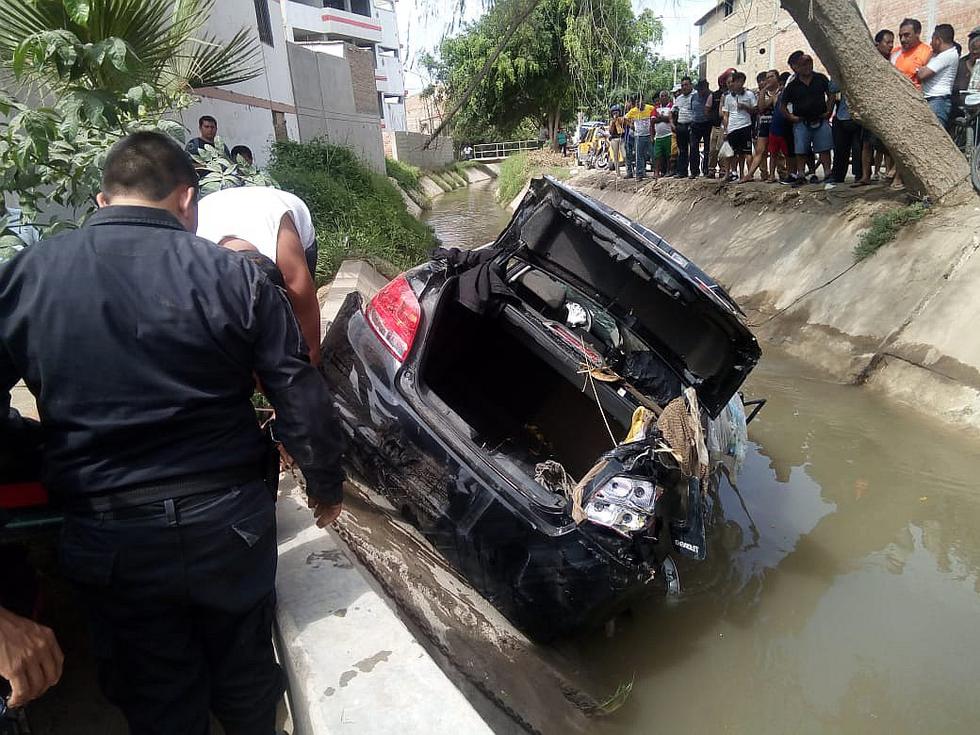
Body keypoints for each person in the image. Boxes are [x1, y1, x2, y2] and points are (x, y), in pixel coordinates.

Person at [0, 131, 346, 733]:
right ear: (188, 201)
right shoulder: (237, 276)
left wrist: (26, 444)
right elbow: (297, 389)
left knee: (157, 697)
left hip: (110, 537)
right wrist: (324, 482)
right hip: (230, 525)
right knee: (244, 681)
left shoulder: (30, 276)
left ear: (103, 202)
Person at [197, 186, 321, 365]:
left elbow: (310, 336)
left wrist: (309, 372)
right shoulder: (198, 264)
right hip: (214, 212)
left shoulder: (291, 266)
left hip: (280, 212)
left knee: (297, 323)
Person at [781, 54, 834, 186]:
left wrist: (829, 110)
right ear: (798, 67)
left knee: (824, 148)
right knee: (801, 149)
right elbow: (782, 105)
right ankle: (801, 174)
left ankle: (828, 172)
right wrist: (790, 117)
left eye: (809, 63)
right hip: (801, 121)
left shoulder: (820, 79)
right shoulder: (793, 85)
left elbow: (831, 94)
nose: (807, 67)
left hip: (820, 118)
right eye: (803, 64)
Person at [854, 30, 895, 186]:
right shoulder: (868, 62)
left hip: (888, 108)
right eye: (887, 42)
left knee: (889, 143)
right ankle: (866, 175)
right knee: (867, 143)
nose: (891, 45)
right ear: (877, 44)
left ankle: (889, 175)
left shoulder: (893, 60)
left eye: (892, 42)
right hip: (871, 108)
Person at [917, 23, 959, 127]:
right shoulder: (941, 55)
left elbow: (921, 75)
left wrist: (920, 69)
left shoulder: (947, 55)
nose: (930, 44)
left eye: (932, 40)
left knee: (931, 138)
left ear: (938, 40)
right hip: (932, 101)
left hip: (937, 102)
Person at [741, 69, 779, 183]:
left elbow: (778, 106)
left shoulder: (782, 91)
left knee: (775, 151)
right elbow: (761, 108)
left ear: (777, 78)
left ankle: (773, 174)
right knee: (759, 151)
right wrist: (764, 92)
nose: (768, 80)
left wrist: (772, 99)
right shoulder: (762, 93)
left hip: (777, 123)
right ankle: (750, 174)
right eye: (767, 77)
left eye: (771, 77)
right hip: (764, 123)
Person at [721, 72, 756, 182]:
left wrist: (745, 107)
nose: (739, 84)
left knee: (745, 152)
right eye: (737, 81)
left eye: (742, 81)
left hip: (745, 125)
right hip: (732, 127)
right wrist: (725, 129)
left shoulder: (749, 94)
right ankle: (727, 173)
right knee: (730, 153)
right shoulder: (727, 97)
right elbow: (726, 115)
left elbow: (755, 110)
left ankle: (744, 175)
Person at [828, 79, 862, 186]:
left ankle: (859, 175)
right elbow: (833, 87)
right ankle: (838, 176)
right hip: (842, 114)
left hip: (859, 116)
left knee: (858, 149)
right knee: (839, 148)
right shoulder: (840, 74)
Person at [705, 68, 735, 178]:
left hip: (726, 126)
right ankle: (711, 169)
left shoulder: (733, 95)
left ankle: (723, 169)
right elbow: (711, 110)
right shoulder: (716, 95)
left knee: (723, 148)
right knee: (713, 149)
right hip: (715, 125)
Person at [892, 18, 933, 89]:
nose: (902, 39)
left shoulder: (927, 52)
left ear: (918, 33)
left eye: (906, 35)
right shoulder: (894, 52)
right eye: (900, 36)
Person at [625, 93, 656, 180]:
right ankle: (639, 174)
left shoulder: (650, 108)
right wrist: (631, 125)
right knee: (639, 155)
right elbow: (625, 118)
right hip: (638, 136)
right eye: (637, 102)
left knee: (653, 153)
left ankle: (656, 171)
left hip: (649, 134)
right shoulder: (633, 111)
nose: (639, 104)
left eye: (640, 101)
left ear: (644, 101)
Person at [671, 77, 695, 177]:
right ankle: (682, 172)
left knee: (693, 149)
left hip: (692, 125)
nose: (684, 87)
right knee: (682, 150)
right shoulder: (679, 98)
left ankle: (694, 171)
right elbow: (673, 111)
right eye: (682, 85)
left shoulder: (695, 96)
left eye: (686, 85)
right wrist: (672, 124)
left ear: (691, 85)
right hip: (681, 126)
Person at [688, 78, 712, 178]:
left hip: (707, 124)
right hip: (695, 124)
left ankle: (706, 169)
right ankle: (694, 171)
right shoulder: (694, 97)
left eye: (702, 89)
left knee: (708, 148)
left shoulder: (711, 95)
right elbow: (691, 109)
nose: (700, 91)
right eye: (699, 89)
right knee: (693, 147)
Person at [652, 90, 673, 178]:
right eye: (662, 96)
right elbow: (653, 120)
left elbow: (671, 118)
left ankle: (668, 171)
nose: (663, 97)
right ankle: (656, 172)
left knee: (669, 155)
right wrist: (664, 118)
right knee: (657, 155)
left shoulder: (671, 106)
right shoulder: (656, 108)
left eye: (665, 96)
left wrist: (660, 118)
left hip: (669, 134)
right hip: (658, 136)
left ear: (668, 97)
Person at [607, 104, 626, 176]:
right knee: (615, 156)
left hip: (622, 138)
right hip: (614, 139)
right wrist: (613, 122)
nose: (615, 114)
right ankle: (618, 173)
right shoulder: (611, 121)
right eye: (614, 113)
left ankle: (628, 171)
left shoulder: (622, 119)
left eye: (616, 112)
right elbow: (611, 131)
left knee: (625, 155)